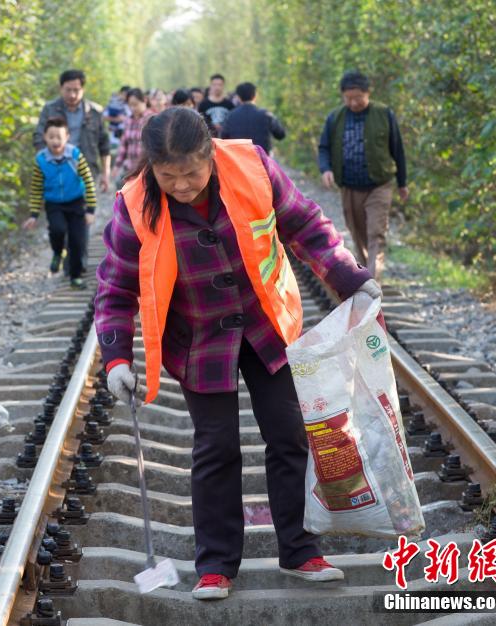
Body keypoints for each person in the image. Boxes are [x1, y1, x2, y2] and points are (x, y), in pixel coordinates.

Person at [95, 108, 381, 600]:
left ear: (211, 153)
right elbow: (115, 289)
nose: (182, 186)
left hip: (265, 322)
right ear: (151, 168)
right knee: (216, 447)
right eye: (169, 176)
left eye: (191, 173)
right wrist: (117, 358)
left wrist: (350, 279)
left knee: (289, 434)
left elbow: (305, 225)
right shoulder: (134, 203)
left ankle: (299, 549)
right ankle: (217, 564)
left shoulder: (251, 165)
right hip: (198, 338)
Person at [318, 70, 408, 280]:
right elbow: (324, 147)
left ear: (368, 93)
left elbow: (398, 149)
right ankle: (366, 275)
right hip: (349, 186)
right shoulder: (335, 118)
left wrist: (402, 183)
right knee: (358, 236)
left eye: (358, 98)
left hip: (379, 185)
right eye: (348, 98)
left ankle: (372, 284)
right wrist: (326, 169)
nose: (353, 102)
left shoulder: (384, 114)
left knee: (376, 233)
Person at [23, 117, 97, 290]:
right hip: (54, 204)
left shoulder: (75, 155)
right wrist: (33, 215)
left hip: (76, 203)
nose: (55, 141)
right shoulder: (41, 160)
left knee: (77, 241)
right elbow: (36, 189)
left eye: (59, 137)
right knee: (57, 230)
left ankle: (75, 276)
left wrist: (91, 209)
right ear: (45, 137)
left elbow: (88, 181)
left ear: (67, 137)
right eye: (51, 137)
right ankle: (57, 251)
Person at [34, 69, 111, 193]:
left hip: (86, 171)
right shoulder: (50, 109)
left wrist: (105, 174)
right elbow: (39, 137)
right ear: (61, 88)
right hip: (56, 172)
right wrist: (45, 164)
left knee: (85, 209)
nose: (72, 95)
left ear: (83, 89)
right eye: (68, 90)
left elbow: (104, 146)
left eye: (76, 90)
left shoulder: (94, 112)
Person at [221, 82, 287, 154]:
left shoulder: (230, 116)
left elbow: (223, 137)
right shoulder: (266, 115)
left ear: (239, 97)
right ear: (255, 95)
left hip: (238, 161)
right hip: (261, 161)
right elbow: (281, 135)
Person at [112, 88, 154, 186]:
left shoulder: (152, 119)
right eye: (130, 105)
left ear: (144, 100)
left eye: (135, 104)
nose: (133, 108)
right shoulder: (128, 120)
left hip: (147, 169)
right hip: (130, 168)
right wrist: (117, 166)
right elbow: (124, 145)